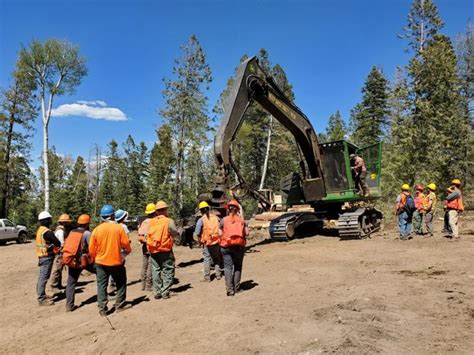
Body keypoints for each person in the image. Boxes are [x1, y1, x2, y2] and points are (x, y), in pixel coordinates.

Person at [89, 205, 131, 316]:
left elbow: (91, 249)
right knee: (121, 283)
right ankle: (120, 305)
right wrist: (125, 254)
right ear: (112, 215)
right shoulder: (119, 228)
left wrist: (95, 258)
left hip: (100, 262)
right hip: (116, 262)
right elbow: (126, 245)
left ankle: (102, 309)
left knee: (102, 285)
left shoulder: (97, 230)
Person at [147, 200, 179, 300]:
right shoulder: (169, 221)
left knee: (155, 270)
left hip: (153, 250)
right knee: (168, 269)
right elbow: (174, 232)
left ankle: (157, 291)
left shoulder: (151, 221)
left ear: (156, 211)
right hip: (165, 249)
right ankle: (165, 292)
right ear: (165, 210)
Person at [64, 214, 95, 312]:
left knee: (71, 283)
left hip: (71, 260)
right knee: (101, 273)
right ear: (87, 223)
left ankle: (69, 306)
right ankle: (103, 297)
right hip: (84, 261)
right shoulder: (86, 233)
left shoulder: (72, 231)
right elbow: (92, 247)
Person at [219, 199, 248, 296]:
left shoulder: (224, 220)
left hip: (226, 246)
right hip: (239, 246)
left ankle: (230, 290)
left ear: (228, 209)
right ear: (237, 209)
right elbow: (247, 233)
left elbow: (219, 233)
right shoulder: (242, 221)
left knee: (227, 268)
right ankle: (237, 288)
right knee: (238, 266)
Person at [35, 211, 61, 306]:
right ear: (45, 220)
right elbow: (57, 242)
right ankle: (41, 299)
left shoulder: (40, 230)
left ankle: (42, 295)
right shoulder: (47, 232)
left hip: (42, 256)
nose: (51, 220)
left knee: (42, 277)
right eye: (49, 219)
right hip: (46, 257)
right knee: (43, 278)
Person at [194, 201, 223, 282]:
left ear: (200, 210)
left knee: (207, 259)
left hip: (207, 242)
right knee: (217, 258)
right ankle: (218, 275)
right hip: (217, 241)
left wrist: (199, 241)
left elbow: (197, 232)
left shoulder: (201, 220)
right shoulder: (216, 218)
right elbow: (221, 228)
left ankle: (207, 277)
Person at [108, 209, 130, 293]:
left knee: (112, 268)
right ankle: (115, 286)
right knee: (119, 269)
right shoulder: (123, 227)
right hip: (121, 251)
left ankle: (112, 285)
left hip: (113, 249)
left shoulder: (113, 226)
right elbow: (126, 240)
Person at [50, 213, 72, 291]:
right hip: (59, 252)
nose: (68, 224)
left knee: (60, 269)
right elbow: (62, 244)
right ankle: (54, 285)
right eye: (67, 222)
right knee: (57, 269)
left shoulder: (60, 229)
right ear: (64, 222)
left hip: (59, 252)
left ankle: (58, 284)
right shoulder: (60, 231)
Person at [137, 203, 156, 291]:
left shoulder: (144, 222)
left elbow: (140, 235)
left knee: (144, 265)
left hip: (144, 246)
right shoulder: (155, 221)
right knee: (151, 265)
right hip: (151, 246)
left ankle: (142, 285)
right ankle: (149, 285)